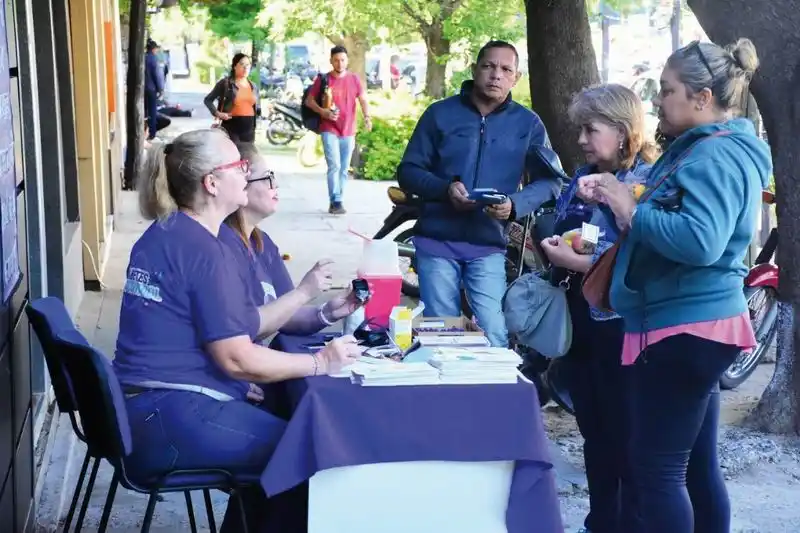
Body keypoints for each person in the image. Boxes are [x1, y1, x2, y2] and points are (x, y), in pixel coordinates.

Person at [115, 128, 361, 532]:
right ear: (212, 183)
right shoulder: (203, 250)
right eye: (238, 165)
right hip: (169, 418)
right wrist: (320, 362)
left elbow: (240, 327)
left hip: (149, 409)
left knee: (287, 424)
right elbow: (237, 359)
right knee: (309, 453)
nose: (246, 171)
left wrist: (317, 314)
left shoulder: (170, 231)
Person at [577, 39, 772, 533]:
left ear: (702, 97)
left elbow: (702, 241)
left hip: (687, 327)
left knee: (657, 471)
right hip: (694, 324)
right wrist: (621, 198)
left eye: (667, 90)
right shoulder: (707, 148)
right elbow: (676, 223)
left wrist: (631, 208)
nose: (658, 100)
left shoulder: (715, 155)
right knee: (693, 468)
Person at [540, 84, 658, 533]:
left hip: (622, 323)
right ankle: (601, 521)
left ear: (623, 131)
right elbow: (576, 232)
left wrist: (581, 261)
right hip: (580, 318)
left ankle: (632, 523)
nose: (581, 140)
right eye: (580, 130)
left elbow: (645, 253)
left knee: (626, 433)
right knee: (593, 429)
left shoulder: (648, 181)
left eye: (590, 129)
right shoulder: (582, 175)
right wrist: (559, 246)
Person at [397, 40, 559, 347]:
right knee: (442, 333)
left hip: (489, 243)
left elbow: (550, 182)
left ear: (516, 78)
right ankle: (447, 379)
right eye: (489, 66)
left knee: (494, 331)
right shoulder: (439, 114)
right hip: (437, 240)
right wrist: (444, 190)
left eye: (506, 69)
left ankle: (494, 380)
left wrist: (514, 204)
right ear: (474, 70)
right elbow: (409, 171)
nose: (496, 75)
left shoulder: (528, 124)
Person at [220, 143, 363, 336]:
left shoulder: (262, 242)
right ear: (240, 186)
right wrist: (303, 292)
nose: (276, 185)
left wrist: (327, 313)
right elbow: (241, 332)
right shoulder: (222, 246)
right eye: (268, 178)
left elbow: (285, 315)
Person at [305, 45, 373, 215]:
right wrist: (323, 112)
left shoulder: (354, 79)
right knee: (334, 165)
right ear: (331, 61)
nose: (340, 63)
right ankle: (335, 201)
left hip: (348, 129)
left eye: (342, 60)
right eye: (336, 60)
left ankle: (339, 198)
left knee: (343, 168)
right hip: (329, 128)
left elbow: (363, 99)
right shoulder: (323, 79)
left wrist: (367, 117)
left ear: (347, 60)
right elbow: (309, 101)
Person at [204, 53, 260, 143]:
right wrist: (217, 113)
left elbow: (256, 107)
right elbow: (208, 100)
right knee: (234, 151)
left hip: (249, 129)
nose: (245, 68)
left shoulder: (253, 86)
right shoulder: (225, 83)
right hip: (231, 127)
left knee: (247, 152)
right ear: (234, 66)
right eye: (242, 64)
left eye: (247, 65)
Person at [144, 39, 165, 141]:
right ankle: (152, 134)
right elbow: (157, 76)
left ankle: (145, 132)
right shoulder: (153, 59)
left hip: (142, 89)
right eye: (156, 49)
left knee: (144, 112)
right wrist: (160, 89)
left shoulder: (143, 58)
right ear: (153, 49)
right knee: (152, 112)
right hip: (151, 89)